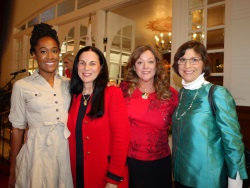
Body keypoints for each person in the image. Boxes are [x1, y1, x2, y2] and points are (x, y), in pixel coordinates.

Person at [171, 40, 248, 188]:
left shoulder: (217, 93)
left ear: (204, 63)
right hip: (180, 176)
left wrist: (235, 182)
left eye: (194, 60)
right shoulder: (181, 94)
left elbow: (233, 143)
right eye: (182, 60)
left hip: (206, 180)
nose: (187, 66)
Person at [8, 23, 73, 188]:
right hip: (36, 152)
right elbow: (17, 128)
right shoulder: (21, 86)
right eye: (43, 51)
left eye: (55, 50)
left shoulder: (69, 84)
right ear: (34, 54)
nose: (50, 56)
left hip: (64, 151)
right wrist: (13, 168)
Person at [67, 46, 130, 188]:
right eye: (82, 63)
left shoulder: (112, 93)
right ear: (76, 66)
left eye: (92, 63)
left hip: (104, 173)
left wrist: (113, 178)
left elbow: (122, 137)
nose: (86, 68)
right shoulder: (73, 95)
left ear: (101, 67)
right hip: (76, 171)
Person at [120, 45, 178, 188]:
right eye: (140, 62)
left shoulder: (170, 95)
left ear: (157, 66)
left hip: (159, 163)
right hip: (128, 161)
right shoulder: (122, 91)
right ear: (133, 66)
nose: (145, 66)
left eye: (150, 62)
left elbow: (179, 127)